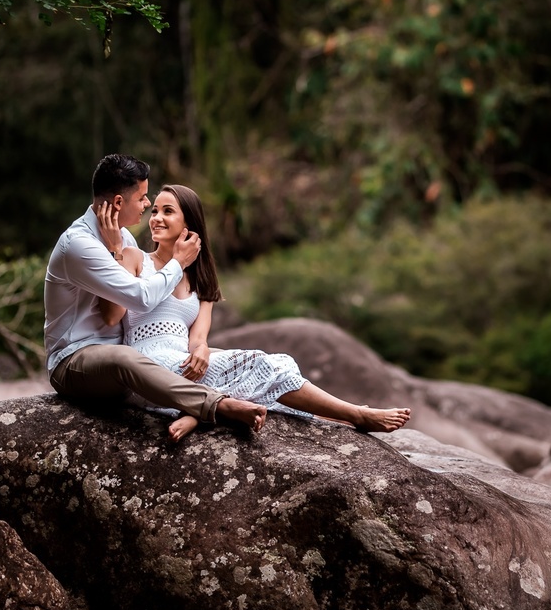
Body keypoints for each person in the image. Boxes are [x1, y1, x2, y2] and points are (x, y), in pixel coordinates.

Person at [97, 182, 412, 442]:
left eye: (168, 211)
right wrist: (113, 252)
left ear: (188, 223)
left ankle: (198, 412)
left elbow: (198, 337)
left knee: (275, 364)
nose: (156, 218)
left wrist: (202, 349)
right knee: (260, 371)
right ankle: (356, 414)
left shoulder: (200, 279)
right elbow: (112, 315)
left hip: (185, 362)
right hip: (147, 364)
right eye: (154, 211)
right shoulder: (135, 258)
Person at [43, 154, 267, 432]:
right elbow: (140, 298)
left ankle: (198, 409)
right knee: (126, 359)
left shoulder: (124, 238)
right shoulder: (79, 245)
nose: (148, 205)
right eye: (143, 198)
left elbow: (121, 313)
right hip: (75, 362)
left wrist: (202, 348)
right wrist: (178, 262)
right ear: (118, 203)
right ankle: (217, 406)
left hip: (130, 360)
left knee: (218, 358)